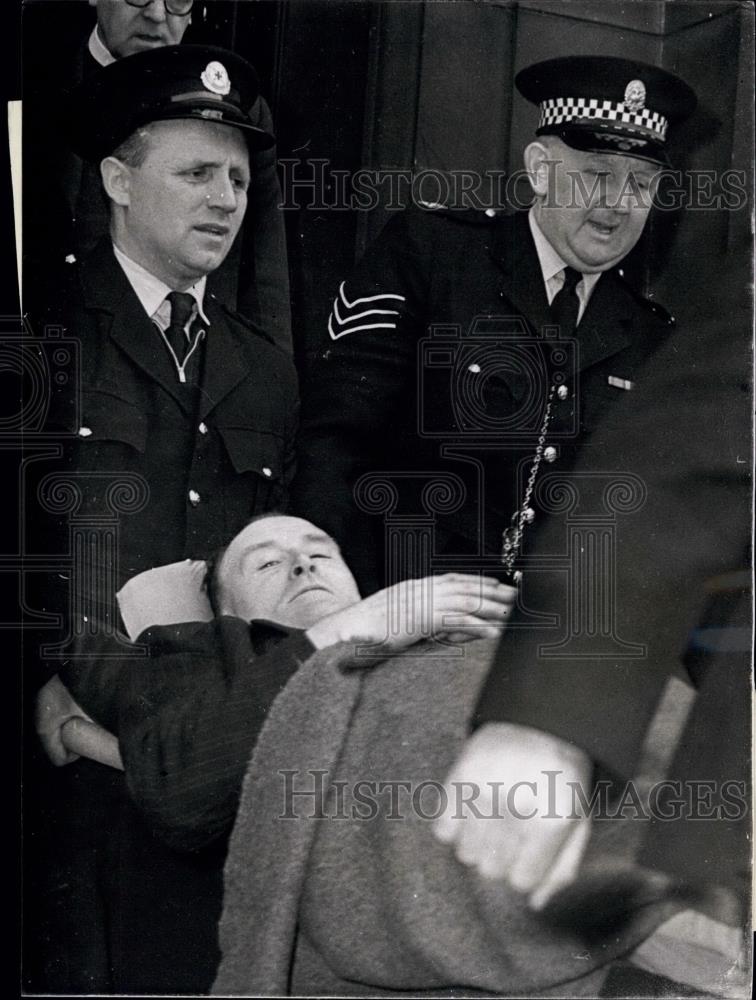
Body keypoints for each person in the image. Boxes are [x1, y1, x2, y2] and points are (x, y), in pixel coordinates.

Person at [24, 45, 298, 993]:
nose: (225, 197)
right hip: (59, 751)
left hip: (204, 763)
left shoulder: (262, 361)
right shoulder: (41, 332)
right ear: (116, 180)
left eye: (237, 177)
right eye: (195, 173)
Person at [292, 55, 697, 596]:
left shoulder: (652, 340)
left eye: (642, 185)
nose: (618, 204)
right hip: (402, 614)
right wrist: (341, 611)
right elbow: (335, 446)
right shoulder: (434, 256)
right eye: (597, 175)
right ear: (539, 168)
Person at [53, 514, 514, 853]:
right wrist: (353, 630)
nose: (303, 566)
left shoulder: (435, 635)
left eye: (320, 554)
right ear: (225, 612)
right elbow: (185, 795)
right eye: (267, 564)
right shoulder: (194, 655)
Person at [23, 0, 291, 350]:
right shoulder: (34, 85)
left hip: (193, 348)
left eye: (177, 0)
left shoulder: (242, 107)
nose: (156, 14)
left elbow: (264, 270)